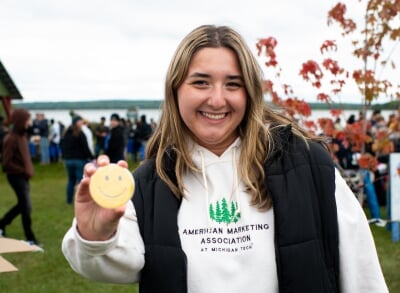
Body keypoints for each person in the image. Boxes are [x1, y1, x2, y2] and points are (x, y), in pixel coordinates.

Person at [62, 25, 388, 292]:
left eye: (233, 84)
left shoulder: (308, 165)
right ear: (176, 90)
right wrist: (95, 235)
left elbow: (362, 273)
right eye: (201, 82)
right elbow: (117, 262)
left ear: (250, 94)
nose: (217, 100)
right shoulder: (151, 182)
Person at [0, 109, 41, 245]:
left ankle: (1, 224)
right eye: (27, 120)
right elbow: (7, 163)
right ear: (20, 121)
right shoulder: (10, 139)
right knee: (26, 207)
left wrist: (28, 169)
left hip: (23, 177)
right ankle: (30, 238)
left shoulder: (22, 136)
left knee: (22, 205)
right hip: (16, 177)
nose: (29, 122)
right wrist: (24, 170)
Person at [60, 116, 93, 204]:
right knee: (80, 181)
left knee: (71, 181)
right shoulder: (80, 133)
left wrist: (64, 156)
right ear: (77, 123)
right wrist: (91, 157)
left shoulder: (66, 133)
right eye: (80, 121)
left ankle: (69, 200)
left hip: (68, 160)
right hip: (79, 160)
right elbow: (85, 147)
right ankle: (79, 200)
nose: (81, 123)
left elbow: (62, 146)